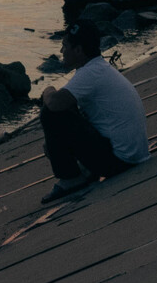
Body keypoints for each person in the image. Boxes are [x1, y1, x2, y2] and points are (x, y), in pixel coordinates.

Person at [39, 20, 149, 201]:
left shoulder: (89, 73)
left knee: (50, 113)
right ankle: (84, 171)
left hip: (119, 160)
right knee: (68, 107)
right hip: (133, 154)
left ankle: (70, 178)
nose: (61, 52)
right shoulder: (99, 68)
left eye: (64, 46)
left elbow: (55, 104)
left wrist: (47, 89)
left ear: (79, 51)